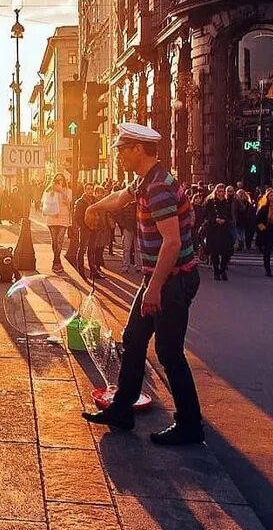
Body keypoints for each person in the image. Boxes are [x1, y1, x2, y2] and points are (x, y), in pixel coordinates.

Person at [81, 122, 204, 446]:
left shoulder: (159, 187)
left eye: (122, 149)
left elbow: (172, 243)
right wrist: (94, 206)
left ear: (138, 150)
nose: (119, 155)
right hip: (161, 277)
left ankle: (190, 425)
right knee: (134, 339)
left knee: (168, 351)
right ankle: (122, 410)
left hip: (172, 280)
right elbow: (122, 196)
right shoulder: (146, 180)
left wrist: (154, 289)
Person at [41, 173, 72, 273]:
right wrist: (53, 191)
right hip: (52, 218)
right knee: (54, 241)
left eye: (61, 180)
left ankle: (56, 262)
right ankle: (57, 261)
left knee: (59, 240)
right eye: (57, 180)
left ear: (64, 181)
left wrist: (61, 192)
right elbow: (44, 203)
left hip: (63, 218)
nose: (59, 182)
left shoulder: (68, 191)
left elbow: (68, 203)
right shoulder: (49, 191)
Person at [204, 184, 235, 280]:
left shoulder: (227, 202)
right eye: (219, 191)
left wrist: (225, 220)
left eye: (222, 191)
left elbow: (230, 215)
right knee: (215, 252)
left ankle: (222, 269)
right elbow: (206, 214)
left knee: (226, 251)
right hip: (214, 229)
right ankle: (216, 271)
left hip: (224, 228)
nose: (221, 193)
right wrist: (214, 219)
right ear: (216, 192)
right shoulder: (210, 202)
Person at [115, 198, 141, 273]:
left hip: (136, 227)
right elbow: (118, 214)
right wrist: (123, 225)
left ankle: (138, 266)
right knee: (127, 248)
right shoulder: (124, 203)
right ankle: (126, 266)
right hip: (128, 227)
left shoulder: (137, 202)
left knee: (137, 248)